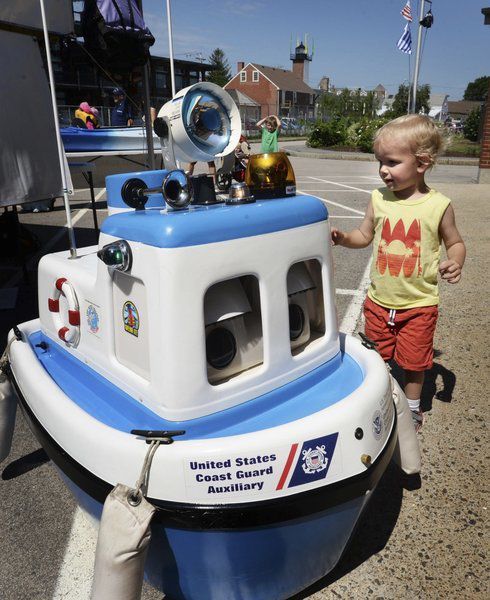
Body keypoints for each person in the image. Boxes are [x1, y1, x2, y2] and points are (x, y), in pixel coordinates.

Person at [331, 114, 466, 431]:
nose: (383, 169)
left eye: (392, 162)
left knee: (414, 363)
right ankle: (379, 397)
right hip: (379, 301)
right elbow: (364, 235)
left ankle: (413, 407)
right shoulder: (379, 198)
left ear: (421, 163)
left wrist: (456, 261)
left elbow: (455, 242)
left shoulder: (438, 205)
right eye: (380, 161)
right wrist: (344, 238)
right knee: (379, 356)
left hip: (419, 304)